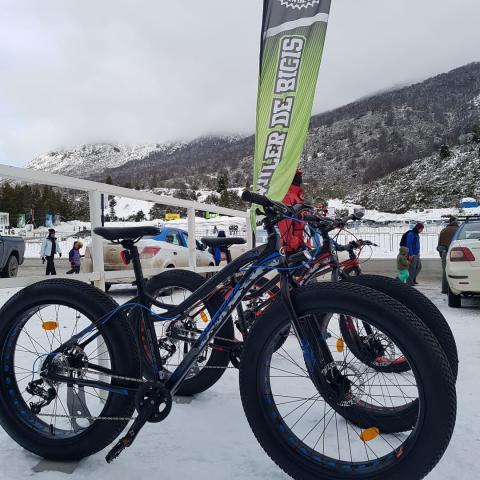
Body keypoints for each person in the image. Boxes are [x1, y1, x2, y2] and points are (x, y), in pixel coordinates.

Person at [278, 169, 307, 253]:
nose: (300, 178)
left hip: (302, 245)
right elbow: (284, 221)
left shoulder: (297, 197)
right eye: (297, 175)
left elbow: (301, 222)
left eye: (300, 175)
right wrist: (293, 243)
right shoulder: (287, 196)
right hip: (293, 248)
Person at [437, 216, 459, 294]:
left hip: (444, 252)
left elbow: (439, 244)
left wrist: (441, 254)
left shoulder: (443, 230)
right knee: (456, 271)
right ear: (456, 222)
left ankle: (444, 289)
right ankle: (455, 289)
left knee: (445, 271)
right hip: (457, 253)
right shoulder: (459, 230)